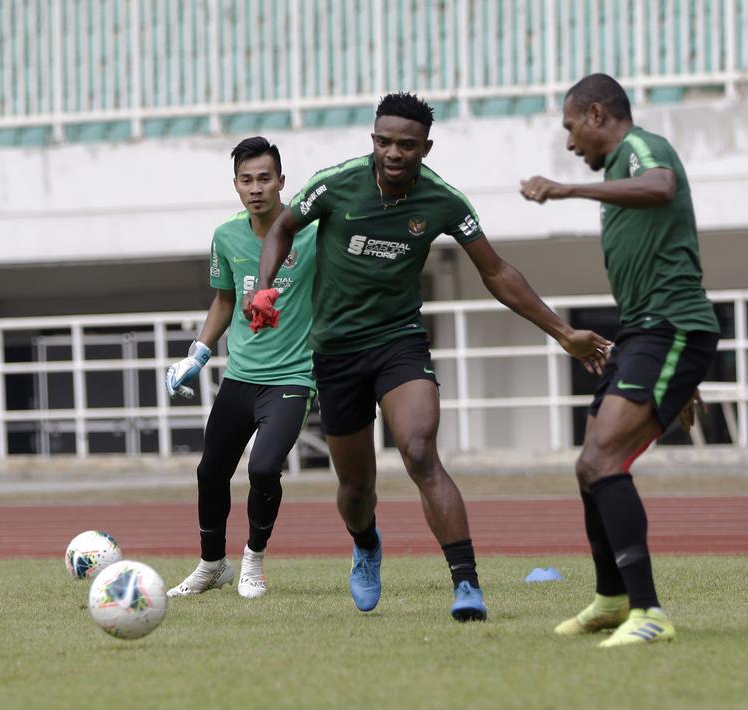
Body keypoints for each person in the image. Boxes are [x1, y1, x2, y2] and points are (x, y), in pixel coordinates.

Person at [247, 92, 610, 620]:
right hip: (337, 353)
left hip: (399, 342)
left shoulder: (443, 200)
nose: (393, 153)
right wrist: (264, 286)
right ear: (373, 140)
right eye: (384, 141)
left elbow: (497, 272)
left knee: (419, 451)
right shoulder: (337, 183)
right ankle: (367, 544)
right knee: (355, 488)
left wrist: (561, 331)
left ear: (426, 148)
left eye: (406, 145)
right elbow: (283, 226)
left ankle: (467, 586)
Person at [520, 73, 719, 647]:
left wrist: (567, 191)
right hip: (647, 336)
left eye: (570, 127)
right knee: (589, 464)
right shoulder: (615, 171)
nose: (568, 143)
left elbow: (661, 186)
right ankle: (611, 600)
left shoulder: (641, 150)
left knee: (605, 460)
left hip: (671, 329)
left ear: (597, 113)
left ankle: (649, 612)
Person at [165, 137, 318, 599]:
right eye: (247, 180)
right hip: (240, 378)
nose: (256, 188)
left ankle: (253, 561)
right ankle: (213, 565)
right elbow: (224, 301)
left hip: (292, 378)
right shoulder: (226, 235)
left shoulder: (312, 232)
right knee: (210, 471)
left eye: (265, 179)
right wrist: (197, 354)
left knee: (265, 468)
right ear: (235, 185)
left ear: (281, 182)